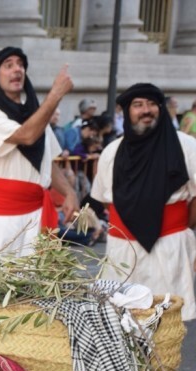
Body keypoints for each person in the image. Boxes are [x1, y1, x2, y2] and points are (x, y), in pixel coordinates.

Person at [90, 83, 196, 322]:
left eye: (151, 104)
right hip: (122, 251)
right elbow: (106, 200)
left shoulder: (186, 146)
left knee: (166, 323)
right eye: (138, 105)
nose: (146, 110)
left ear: (161, 108)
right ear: (127, 112)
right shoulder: (111, 152)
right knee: (120, 320)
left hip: (170, 248)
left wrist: (180, 227)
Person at [0, 47, 78, 256]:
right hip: (0, 218)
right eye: (8, 65)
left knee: (36, 276)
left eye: (20, 65)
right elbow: (27, 136)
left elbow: (45, 163)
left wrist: (69, 192)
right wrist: (55, 94)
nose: (17, 69)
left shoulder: (37, 116)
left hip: (36, 214)